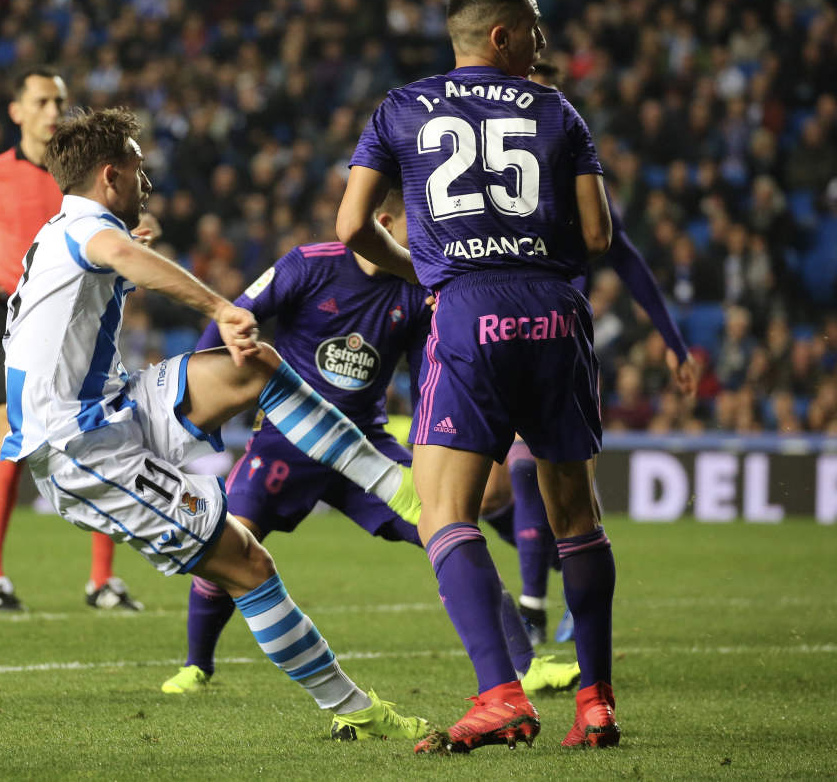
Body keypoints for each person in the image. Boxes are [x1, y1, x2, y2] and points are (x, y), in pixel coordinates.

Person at [2, 106, 427, 741]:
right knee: (247, 565)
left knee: (255, 365)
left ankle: (393, 484)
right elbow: (114, 251)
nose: (148, 181)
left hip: (115, 407)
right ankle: (353, 708)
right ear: (110, 176)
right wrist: (221, 307)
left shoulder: (64, 229)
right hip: (80, 450)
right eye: (140, 170)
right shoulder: (91, 230)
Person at [338, 0, 618, 752]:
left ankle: (499, 694)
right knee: (578, 521)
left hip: (467, 311)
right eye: (533, 26)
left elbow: (353, 224)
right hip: (555, 311)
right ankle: (595, 702)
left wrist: (426, 270)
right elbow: (596, 236)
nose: (543, 39)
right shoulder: (559, 110)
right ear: (502, 37)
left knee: (445, 515)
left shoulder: (399, 107)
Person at [160, 193, 579, 700]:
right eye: (420, 225)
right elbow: (228, 321)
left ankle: (524, 666)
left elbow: (431, 380)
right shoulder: (307, 265)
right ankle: (197, 666)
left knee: (449, 530)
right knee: (229, 541)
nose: (431, 237)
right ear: (382, 223)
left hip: (366, 447)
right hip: (286, 442)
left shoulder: (419, 291)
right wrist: (202, 397)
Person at [481, 62, 701, 647]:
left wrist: (675, 344)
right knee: (506, 488)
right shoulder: (488, 170)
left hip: (560, 337)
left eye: (550, 95)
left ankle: (543, 606)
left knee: (545, 475)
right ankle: (552, 587)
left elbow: (622, 255)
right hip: (496, 331)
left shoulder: (577, 172)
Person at [0, 66, 140, 613]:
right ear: (17, 111)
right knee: (13, 432)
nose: (54, 110)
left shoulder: (75, 176)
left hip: (84, 315)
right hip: (15, 318)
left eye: (60, 100)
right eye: (44, 100)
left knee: (102, 427)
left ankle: (102, 581)